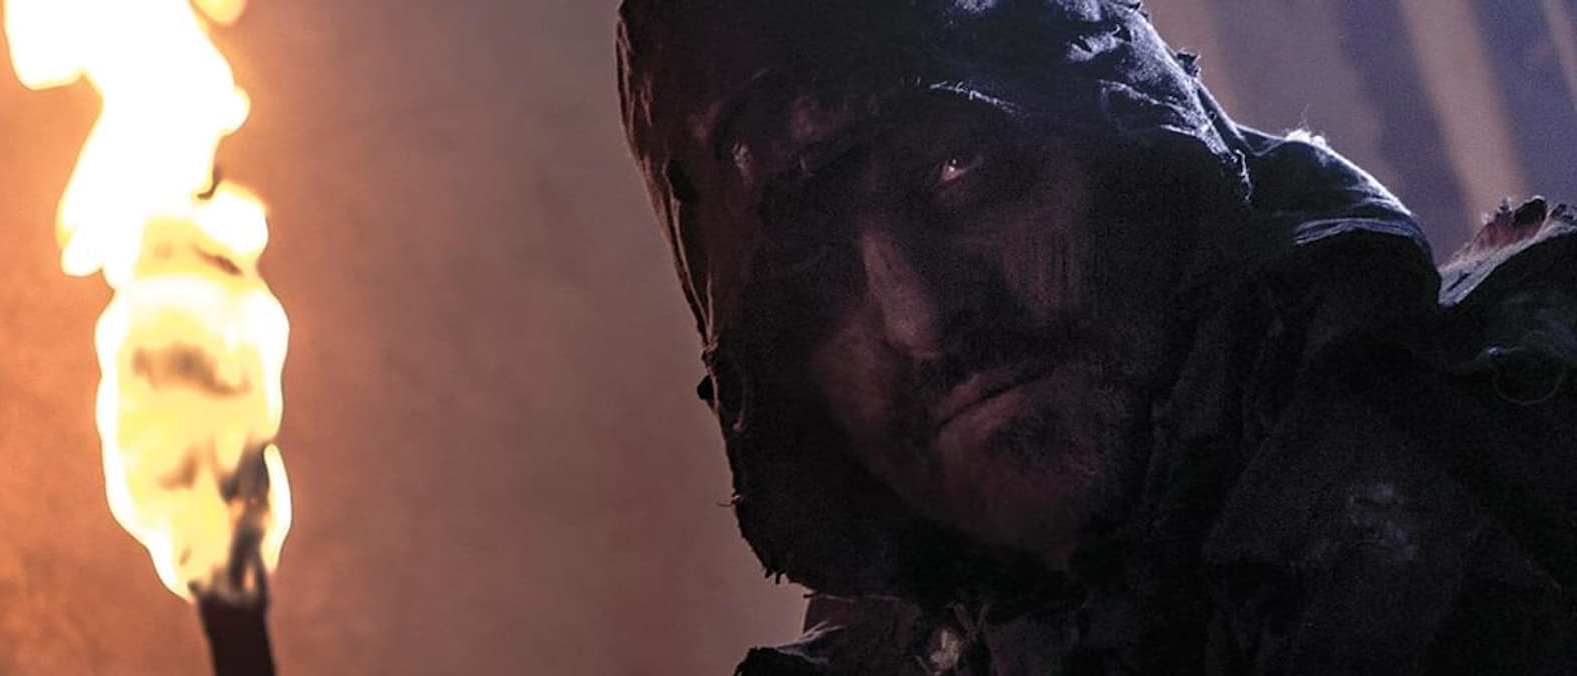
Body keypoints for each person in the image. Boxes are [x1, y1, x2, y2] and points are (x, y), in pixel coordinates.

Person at [615, 1, 1577, 673]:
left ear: (1129, 138)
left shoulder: (1530, 425)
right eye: (818, 268)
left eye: (959, 170)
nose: (922, 318)